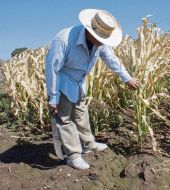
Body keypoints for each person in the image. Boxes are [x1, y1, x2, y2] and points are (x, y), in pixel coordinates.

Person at [45, 9, 141, 170]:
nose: (103, 42)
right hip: (62, 83)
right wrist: (53, 97)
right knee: (65, 119)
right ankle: (73, 155)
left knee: (82, 114)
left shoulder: (99, 43)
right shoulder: (64, 39)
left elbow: (111, 60)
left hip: (80, 83)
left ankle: (88, 144)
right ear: (90, 31)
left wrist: (127, 78)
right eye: (100, 39)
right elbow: (52, 68)